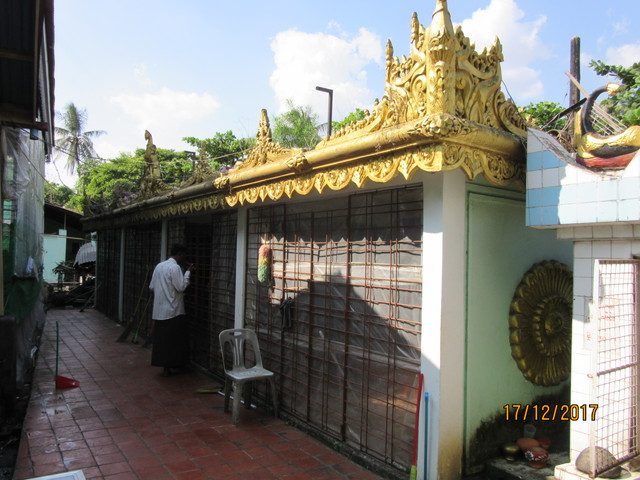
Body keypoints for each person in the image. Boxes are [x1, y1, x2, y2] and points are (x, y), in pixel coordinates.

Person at [149, 244, 194, 376]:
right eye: (183, 255)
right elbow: (181, 287)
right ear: (179, 254)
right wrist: (188, 272)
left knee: (163, 341)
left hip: (159, 311)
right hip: (173, 311)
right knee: (174, 341)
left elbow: (152, 286)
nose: (184, 258)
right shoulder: (175, 268)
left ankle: (165, 367)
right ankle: (174, 365)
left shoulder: (159, 266)